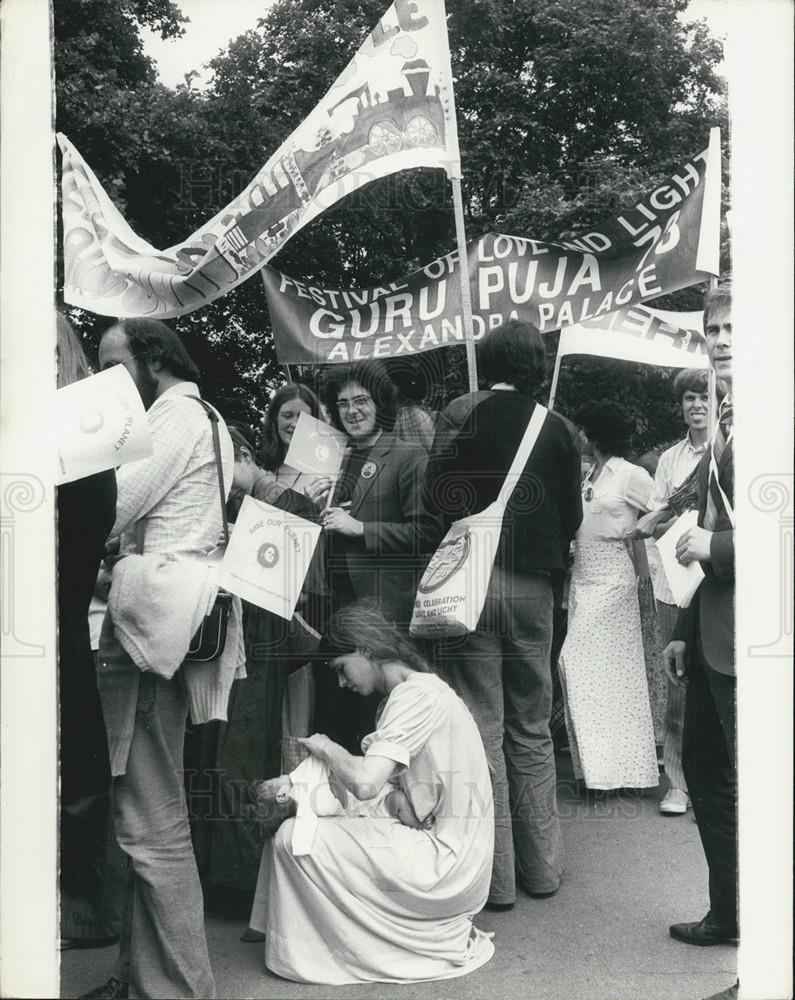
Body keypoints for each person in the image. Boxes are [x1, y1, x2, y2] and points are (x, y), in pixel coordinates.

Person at [82, 318, 241, 1000]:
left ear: (153, 360)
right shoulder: (203, 418)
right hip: (167, 624)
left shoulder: (173, 417)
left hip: (152, 632)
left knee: (150, 818)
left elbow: (108, 509)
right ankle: (142, 979)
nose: (108, 383)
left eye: (115, 365)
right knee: (143, 812)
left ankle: (180, 988)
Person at [247, 602, 495, 985]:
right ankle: (308, 938)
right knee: (312, 827)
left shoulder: (415, 697)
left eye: (341, 669)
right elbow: (398, 798)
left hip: (447, 865)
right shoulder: (416, 693)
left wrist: (326, 747)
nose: (342, 683)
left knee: (290, 839)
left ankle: (308, 949)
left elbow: (366, 783)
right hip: (456, 852)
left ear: (364, 649)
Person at [423, 320, 582, 910]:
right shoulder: (559, 429)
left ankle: (497, 880)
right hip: (534, 590)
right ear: (536, 365)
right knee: (532, 727)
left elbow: (439, 498)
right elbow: (571, 518)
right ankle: (543, 869)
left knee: (484, 726)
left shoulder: (471, 417)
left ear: (488, 363)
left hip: (474, 586)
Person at [206, 424, 326, 897]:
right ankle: (237, 877)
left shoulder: (288, 504)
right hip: (251, 643)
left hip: (258, 644)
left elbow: (270, 583)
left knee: (241, 756)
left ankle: (241, 883)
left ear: (245, 454)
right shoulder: (245, 502)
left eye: (222, 467)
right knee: (237, 754)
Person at [664, 286, 738, 977]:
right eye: (712, 327)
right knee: (706, 772)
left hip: (758, 644)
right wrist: (683, 623)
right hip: (713, 633)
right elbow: (707, 526)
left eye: (733, 326)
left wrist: (712, 554)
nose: (718, 337)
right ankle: (732, 912)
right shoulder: (722, 428)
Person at [316, 360, 440, 751]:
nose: (351, 411)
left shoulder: (407, 457)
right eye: (343, 404)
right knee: (340, 715)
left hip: (384, 614)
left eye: (361, 401)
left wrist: (361, 529)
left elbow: (426, 533)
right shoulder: (332, 460)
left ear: (379, 404)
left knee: (384, 720)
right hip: (336, 608)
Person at [56, 313, 120, 951]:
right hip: (58, 626)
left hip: (51, 626)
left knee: (71, 772)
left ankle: (82, 911)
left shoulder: (75, 443)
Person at [558, 400, 659, 793]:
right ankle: (601, 772)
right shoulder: (590, 477)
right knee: (601, 676)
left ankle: (619, 769)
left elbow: (663, 513)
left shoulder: (631, 475)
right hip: (581, 577)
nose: (580, 437)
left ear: (597, 433)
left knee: (576, 661)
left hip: (615, 579)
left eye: (584, 430)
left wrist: (641, 535)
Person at [634, 369, 711, 816]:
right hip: (675, 580)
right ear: (680, 404)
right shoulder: (669, 460)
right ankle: (678, 783)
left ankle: (721, 781)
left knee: (720, 678)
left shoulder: (731, 447)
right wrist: (677, 522)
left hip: (720, 577)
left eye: (703, 396)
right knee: (678, 681)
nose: (696, 405)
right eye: (688, 398)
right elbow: (650, 523)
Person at [258, 382, 330, 504]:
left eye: (303, 417)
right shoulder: (262, 474)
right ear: (275, 418)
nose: (295, 424)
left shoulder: (325, 473)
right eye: (287, 416)